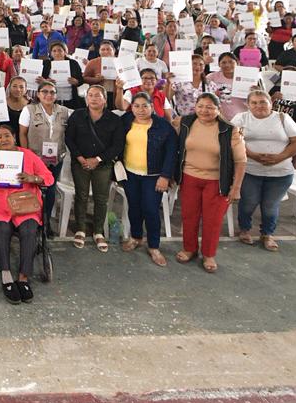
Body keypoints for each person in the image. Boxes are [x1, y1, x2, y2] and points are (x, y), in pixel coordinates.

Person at [0, 123, 53, 304]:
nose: (3, 140)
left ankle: (23, 278)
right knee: (1, 232)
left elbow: (49, 178)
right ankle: (6, 275)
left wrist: (33, 178)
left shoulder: (28, 155)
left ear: (14, 137)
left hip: (25, 205)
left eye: (7, 136)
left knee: (29, 231)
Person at [163, 93, 246, 273]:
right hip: (189, 178)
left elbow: (240, 161)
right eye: (200, 106)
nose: (204, 110)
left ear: (218, 109)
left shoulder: (229, 130)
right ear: (195, 107)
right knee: (189, 216)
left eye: (210, 107)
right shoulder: (185, 123)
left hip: (217, 182)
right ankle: (189, 248)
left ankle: (208, 254)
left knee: (212, 220)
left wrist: (236, 187)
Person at [232, 89, 296, 251]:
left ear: (271, 103)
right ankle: (244, 229)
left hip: (281, 172)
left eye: (263, 102)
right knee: (248, 202)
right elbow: (233, 141)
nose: (259, 106)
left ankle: (267, 234)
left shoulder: (283, 118)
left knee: (270, 205)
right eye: (254, 103)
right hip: (249, 170)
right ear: (247, 105)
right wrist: (252, 155)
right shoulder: (241, 118)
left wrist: (280, 157)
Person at [117, 92, 176, 266]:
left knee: (150, 209)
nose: (141, 110)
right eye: (136, 106)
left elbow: (171, 154)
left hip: (153, 176)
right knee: (134, 207)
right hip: (130, 174)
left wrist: (165, 176)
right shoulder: (126, 121)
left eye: (145, 106)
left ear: (152, 106)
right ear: (131, 107)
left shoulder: (164, 127)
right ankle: (136, 237)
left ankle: (154, 246)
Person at [63, 85, 124, 251]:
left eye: (98, 95)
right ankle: (80, 229)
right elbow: (69, 138)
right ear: (86, 98)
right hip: (80, 163)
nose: (94, 98)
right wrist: (80, 157)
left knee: (101, 198)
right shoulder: (77, 115)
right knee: (81, 195)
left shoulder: (114, 120)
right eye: (90, 95)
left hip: (102, 164)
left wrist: (98, 159)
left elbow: (117, 145)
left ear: (105, 99)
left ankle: (98, 231)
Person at [18, 82, 69, 228]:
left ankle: (45, 223)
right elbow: (22, 134)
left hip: (56, 159)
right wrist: (26, 155)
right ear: (38, 94)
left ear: (56, 95)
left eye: (52, 92)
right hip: (35, 158)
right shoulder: (29, 110)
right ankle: (31, 221)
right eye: (44, 92)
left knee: (50, 189)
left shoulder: (64, 111)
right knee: (33, 189)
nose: (48, 95)